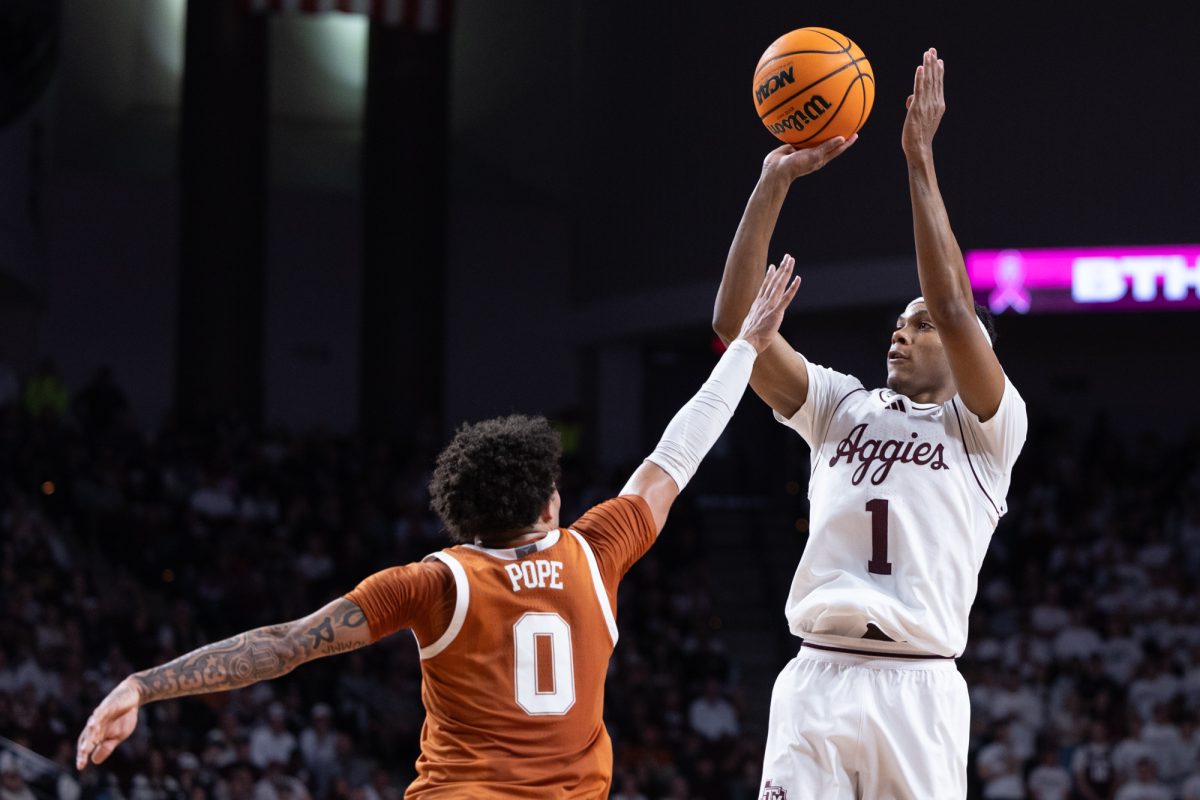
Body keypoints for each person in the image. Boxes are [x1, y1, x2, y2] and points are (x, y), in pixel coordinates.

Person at [75, 262, 802, 797]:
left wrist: (143, 685)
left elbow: (283, 646)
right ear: (550, 501)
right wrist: (744, 348)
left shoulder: (434, 581)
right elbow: (675, 452)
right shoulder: (595, 550)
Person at [711, 48, 1028, 798]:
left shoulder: (989, 430)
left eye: (917, 326)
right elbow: (734, 327)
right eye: (896, 323)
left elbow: (953, 304)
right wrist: (771, 182)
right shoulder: (840, 406)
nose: (902, 331)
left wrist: (919, 157)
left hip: (917, 689)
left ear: (966, 350)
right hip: (817, 676)